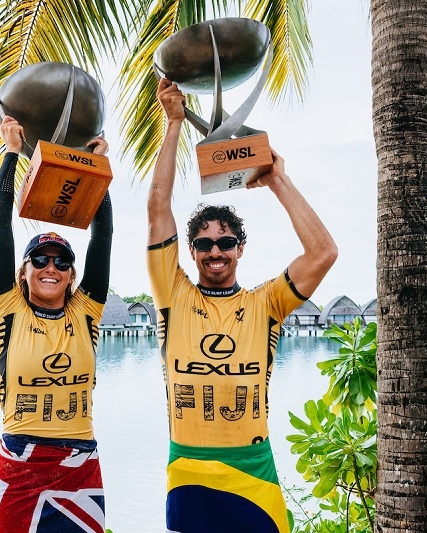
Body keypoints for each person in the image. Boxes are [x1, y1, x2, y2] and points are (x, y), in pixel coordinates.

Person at [147, 77, 338, 532]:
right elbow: (158, 208)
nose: (216, 251)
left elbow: (323, 254)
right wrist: (174, 123)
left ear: (240, 249)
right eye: (205, 243)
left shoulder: (267, 303)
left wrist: (278, 180)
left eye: (226, 242)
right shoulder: (172, 295)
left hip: (254, 473)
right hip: (188, 471)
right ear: (190, 251)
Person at [0, 115, 113, 533]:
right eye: (39, 260)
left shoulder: (86, 311)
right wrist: (10, 153)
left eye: (61, 261)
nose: (50, 267)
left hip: (79, 463)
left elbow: (103, 236)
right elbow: (0, 223)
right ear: (23, 271)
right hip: (19, 461)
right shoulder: (6, 307)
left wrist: (96, 171)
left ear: (73, 275)